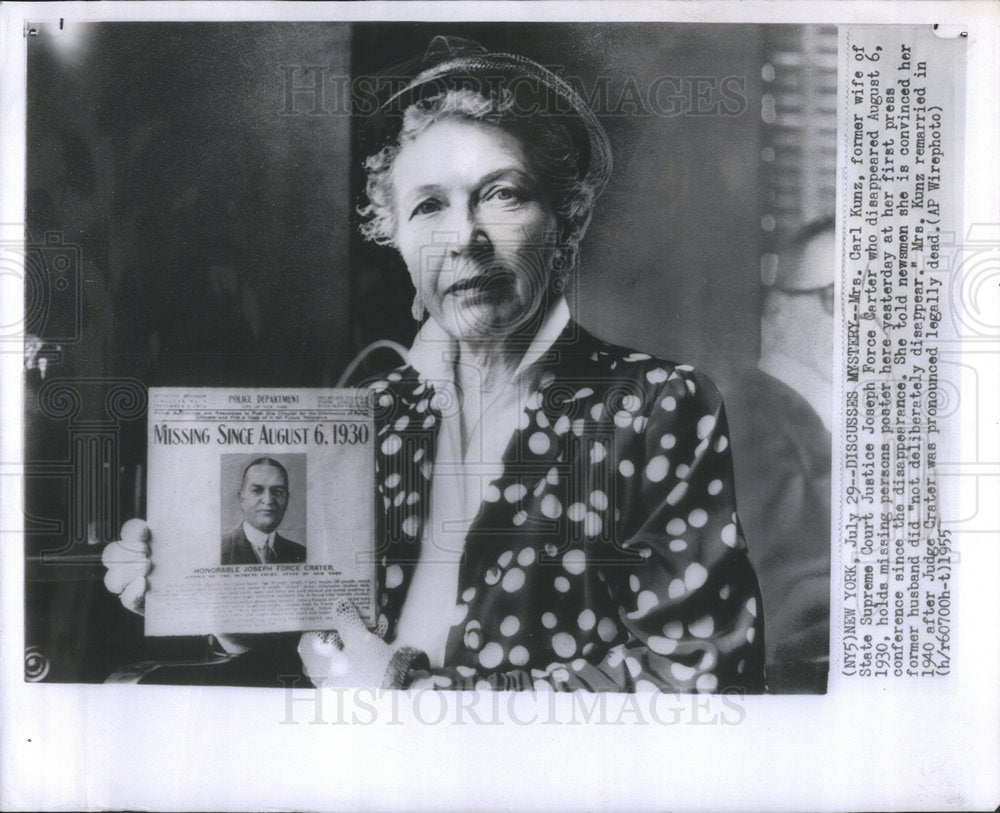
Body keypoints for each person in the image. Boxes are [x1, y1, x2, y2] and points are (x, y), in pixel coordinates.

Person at [105, 35, 765, 693]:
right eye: (427, 206)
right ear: (392, 235)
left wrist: (408, 692)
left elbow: (699, 674)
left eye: (502, 194)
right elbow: (325, 639)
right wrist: (204, 596)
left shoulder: (656, 405)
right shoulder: (376, 410)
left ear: (566, 217)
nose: (463, 239)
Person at [727, 218, 834, 693]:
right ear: (777, 310)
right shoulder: (752, 423)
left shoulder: (821, 420)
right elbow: (791, 618)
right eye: (839, 299)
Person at [221, 457, 305, 565]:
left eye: (278, 492)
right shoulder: (220, 551)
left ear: (287, 499)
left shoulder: (301, 554)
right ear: (242, 499)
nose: (268, 500)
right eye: (257, 490)